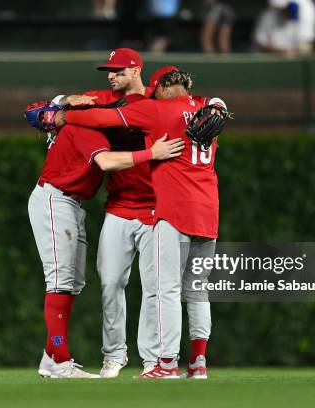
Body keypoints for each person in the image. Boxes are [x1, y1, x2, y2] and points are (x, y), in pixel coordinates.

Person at [50, 69, 223, 379]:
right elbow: (214, 103)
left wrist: (63, 118)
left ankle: (166, 365)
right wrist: (219, 103)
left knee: (166, 289)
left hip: (174, 211)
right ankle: (198, 363)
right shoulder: (204, 109)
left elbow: (100, 120)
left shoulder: (155, 108)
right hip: (209, 211)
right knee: (197, 290)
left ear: (157, 89)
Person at [25, 64, 185, 378]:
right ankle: (58, 359)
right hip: (55, 198)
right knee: (60, 282)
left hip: (70, 203)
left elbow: (44, 112)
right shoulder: (86, 128)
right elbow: (107, 161)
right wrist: (152, 152)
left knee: (71, 284)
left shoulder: (103, 116)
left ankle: (52, 356)